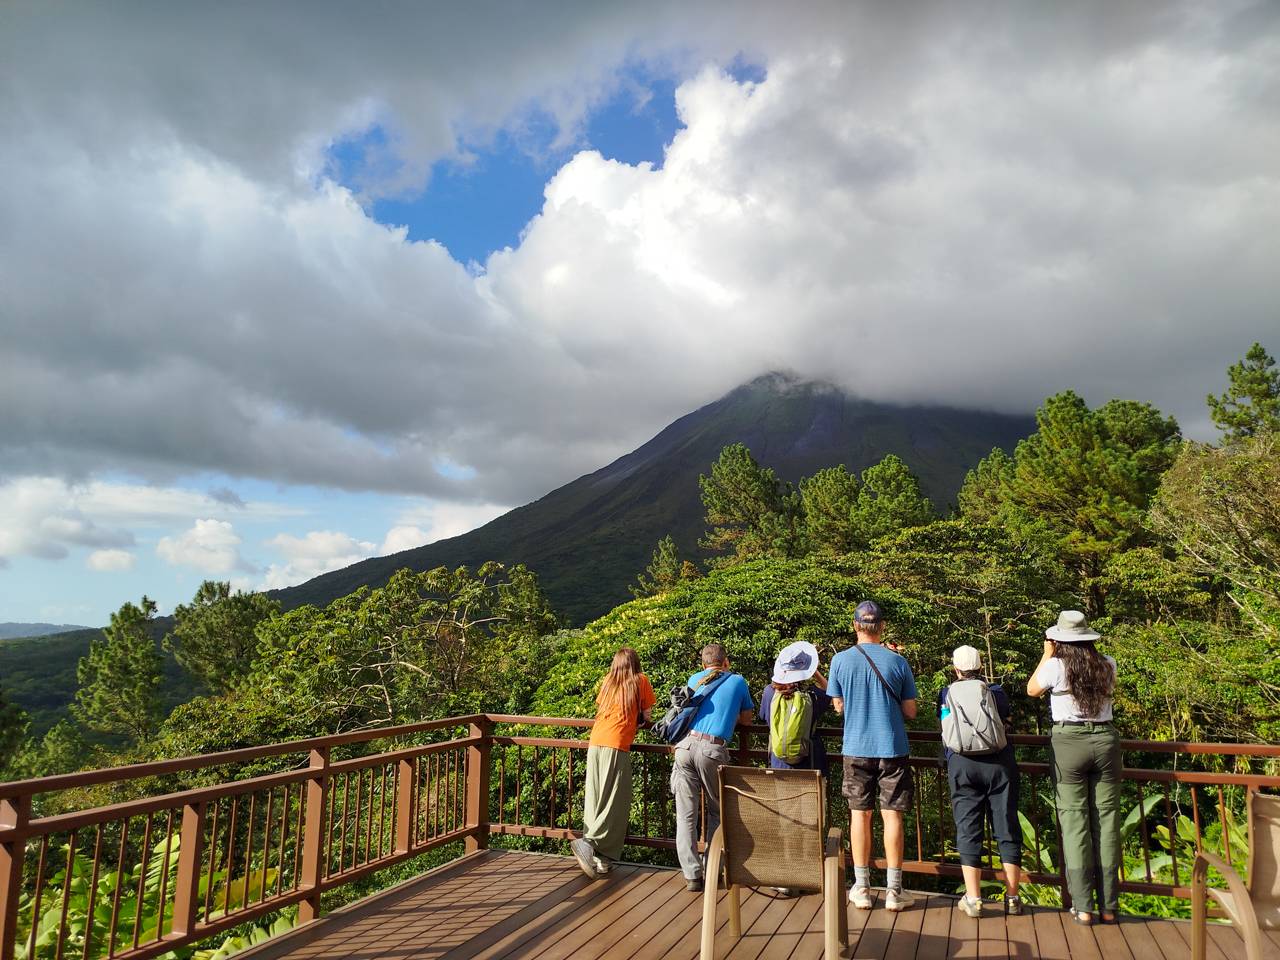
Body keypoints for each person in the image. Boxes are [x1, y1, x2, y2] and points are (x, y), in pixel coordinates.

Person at [1027, 610, 1120, 926]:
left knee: (1075, 824)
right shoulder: (1108, 664)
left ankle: (1083, 907)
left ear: (1059, 640)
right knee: (1106, 823)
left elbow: (1032, 690)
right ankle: (1109, 907)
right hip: (1106, 741)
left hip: (1068, 744)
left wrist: (1046, 654)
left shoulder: (1055, 666)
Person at [827, 601, 919, 912]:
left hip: (855, 748)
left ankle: (862, 886)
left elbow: (838, 706)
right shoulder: (897, 661)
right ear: (880, 628)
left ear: (855, 626)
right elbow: (910, 710)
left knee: (859, 815)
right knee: (892, 816)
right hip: (892, 747)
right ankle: (894, 890)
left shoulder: (839, 661)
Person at [939, 645, 1022, 918]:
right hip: (1000, 764)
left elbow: (945, 727)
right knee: (1006, 826)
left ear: (956, 669)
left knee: (968, 829)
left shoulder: (946, 693)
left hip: (962, 765)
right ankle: (1012, 898)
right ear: (980, 667)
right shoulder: (995, 692)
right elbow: (1007, 724)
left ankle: (973, 899)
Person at [670, 643, 755, 892]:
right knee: (717, 810)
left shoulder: (695, 679)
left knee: (685, 815)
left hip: (684, 747)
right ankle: (713, 869)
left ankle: (692, 876)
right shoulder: (738, 681)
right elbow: (747, 720)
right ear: (726, 662)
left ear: (703, 665)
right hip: (712, 749)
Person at [571, 647, 657, 880]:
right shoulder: (640, 680)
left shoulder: (609, 680)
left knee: (596, 799)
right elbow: (647, 714)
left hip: (596, 741)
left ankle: (602, 860)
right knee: (615, 801)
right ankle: (588, 843)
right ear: (635, 663)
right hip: (616, 744)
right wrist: (638, 717)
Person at [758, 640, 831, 775]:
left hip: (778, 765)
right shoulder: (813, 694)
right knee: (812, 797)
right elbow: (832, 694)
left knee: (784, 797)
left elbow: (763, 717)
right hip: (810, 764)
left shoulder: (769, 692)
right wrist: (815, 672)